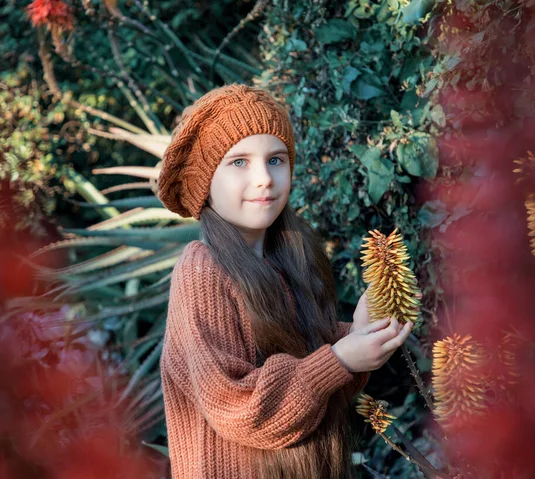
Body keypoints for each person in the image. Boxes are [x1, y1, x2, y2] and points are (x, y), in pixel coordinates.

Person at [157, 83, 413, 479]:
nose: (264, 179)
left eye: (275, 160)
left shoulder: (289, 261)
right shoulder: (203, 270)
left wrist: (356, 336)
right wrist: (341, 358)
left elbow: (312, 391)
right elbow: (236, 406)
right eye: (239, 162)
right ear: (205, 183)